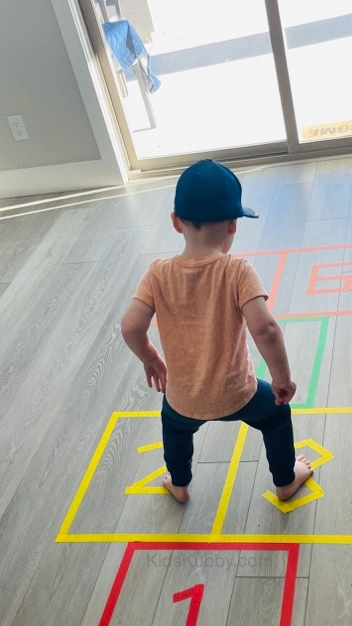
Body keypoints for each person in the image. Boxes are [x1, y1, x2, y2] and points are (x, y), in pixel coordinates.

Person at [121, 159, 312, 504]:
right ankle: (285, 479)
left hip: (183, 398)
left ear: (176, 223)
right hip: (239, 393)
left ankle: (179, 483)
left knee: (174, 428)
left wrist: (149, 357)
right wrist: (282, 378)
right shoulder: (237, 270)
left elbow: (131, 326)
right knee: (276, 415)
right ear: (233, 226)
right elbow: (266, 329)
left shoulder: (157, 273)